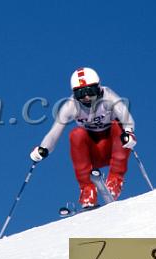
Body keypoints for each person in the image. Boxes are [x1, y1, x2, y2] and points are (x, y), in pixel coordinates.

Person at [30, 67, 136, 207]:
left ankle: (115, 180)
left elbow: (125, 116)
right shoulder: (71, 105)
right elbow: (55, 131)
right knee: (76, 134)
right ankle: (87, 189)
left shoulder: (108, 97)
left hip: (114, 147)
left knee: (118, 125)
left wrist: (128, 132)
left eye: (90, 91)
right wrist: (44, 148)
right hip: (92, 152)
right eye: (80, 94)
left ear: (98, 88)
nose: (86, 97)